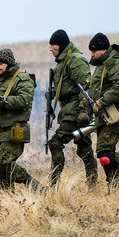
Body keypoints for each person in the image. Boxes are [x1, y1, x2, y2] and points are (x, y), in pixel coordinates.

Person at [0, 48, 43, 191]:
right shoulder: (0, 82)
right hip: (0, 132)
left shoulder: (22, 79)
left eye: (1, 63)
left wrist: (1, 101)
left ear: (9, 63)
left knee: (4, 164)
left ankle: (31, 183)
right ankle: (5, 197)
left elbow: (25, 100)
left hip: (15, 130)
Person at [46, 29, 97, 186]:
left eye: (53, 45)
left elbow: (87, 87)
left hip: (75, 109)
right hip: (69, 108)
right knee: (83, 147)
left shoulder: (75, 60)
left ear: (60, 45)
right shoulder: (63, 61)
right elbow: (67, 85)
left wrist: (83, 111)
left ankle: (54, 185)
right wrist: (53, 93)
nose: (50, 48)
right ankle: (93, 184)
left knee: (55, 143)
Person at [84, 32, 119, 186]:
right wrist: (86, 102)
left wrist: (101, 102)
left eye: (94, 51)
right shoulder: (101, 65)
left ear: (104, 50)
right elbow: (97, 88)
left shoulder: (116, 63)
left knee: (105, 152)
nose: (91, 54)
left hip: (117, 115)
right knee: (105, 155)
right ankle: (114, 187)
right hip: (104, 116)